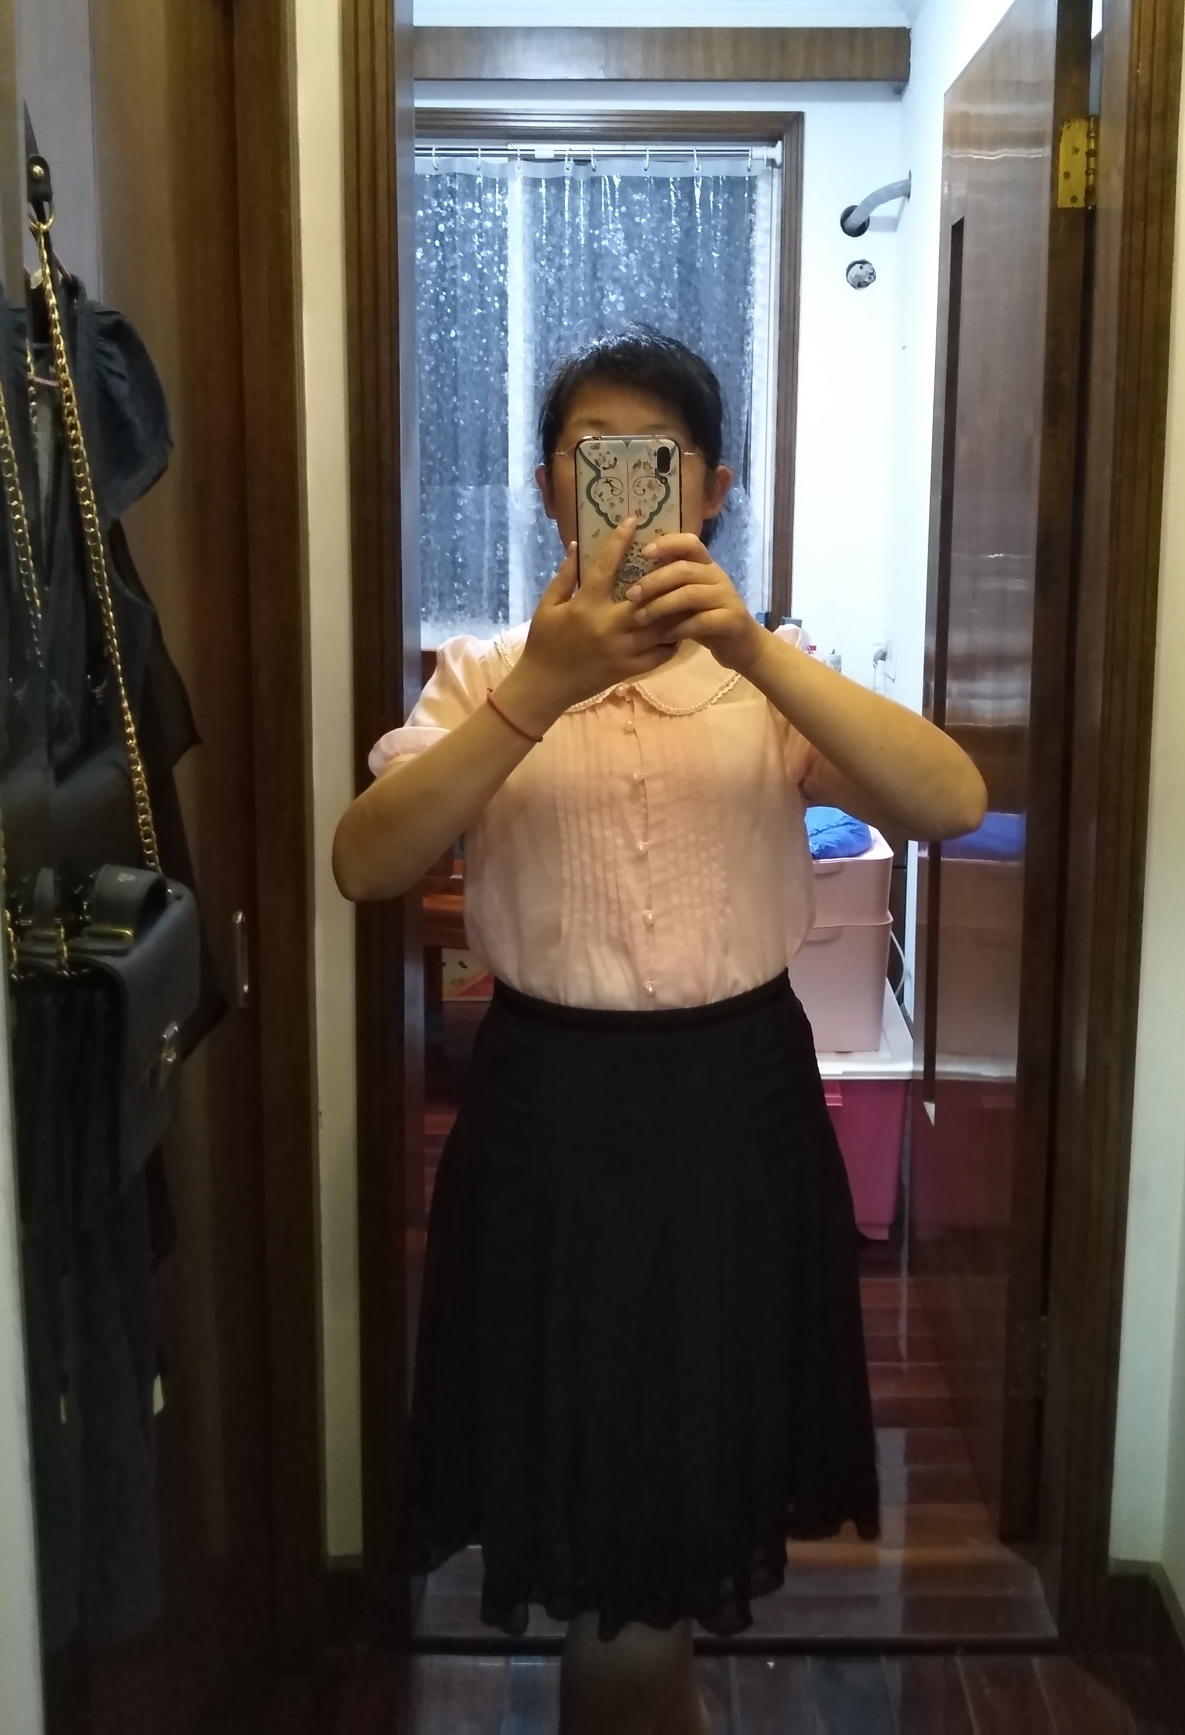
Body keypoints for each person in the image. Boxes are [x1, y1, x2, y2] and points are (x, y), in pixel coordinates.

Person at [333, 325, 986, 1735]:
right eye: (593, 460)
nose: (623, 486)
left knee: (694, 1463)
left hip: (737, 1113)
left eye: (658, 461)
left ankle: (641, 1688)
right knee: (587, 1474)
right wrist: (540, 690)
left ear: (713, 489)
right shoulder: (483, 674)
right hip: (546, 1120)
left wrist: (752, 647)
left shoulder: (770, 677)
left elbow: (948, 801)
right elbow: (368, 863)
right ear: (548, 489)